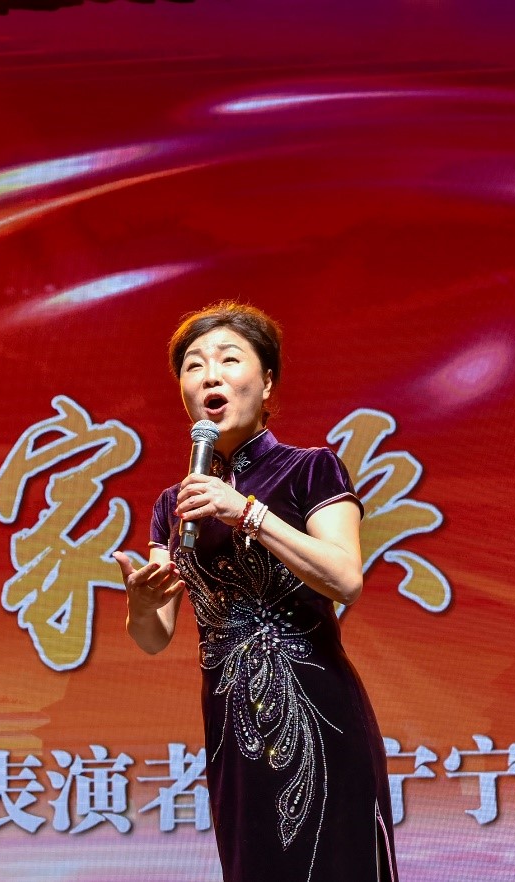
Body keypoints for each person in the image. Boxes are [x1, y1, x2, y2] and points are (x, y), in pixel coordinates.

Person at [113, 302, 398, 882]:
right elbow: (154, 636)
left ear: (267, 384)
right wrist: (142, 602)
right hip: (231, 734)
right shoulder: (175, 505)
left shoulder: (310, 469)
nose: (209, 376)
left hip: (319, 719)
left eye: (228, 360)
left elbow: (346, 578)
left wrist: (245, 512)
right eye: (194, 366)